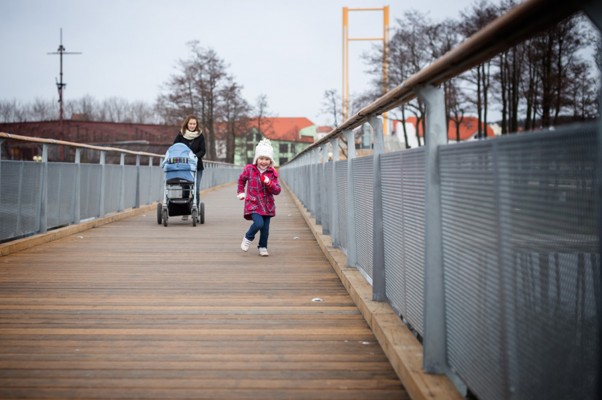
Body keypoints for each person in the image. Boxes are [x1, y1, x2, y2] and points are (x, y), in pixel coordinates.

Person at [237, 138, 281, 256]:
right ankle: (248, 237)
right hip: (253, 203)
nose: (263, 161)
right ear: (257, 159)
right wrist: (241, 191)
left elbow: (277, 190)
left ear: (270, 161)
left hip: (267, 204)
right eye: (261, 158)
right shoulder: (249, 169)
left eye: (267, 159)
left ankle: (263, 246)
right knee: (258, 223)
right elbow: (241, 180)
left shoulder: (272, 173)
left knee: (265, 229)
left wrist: (269, 183)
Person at [173, 115, 206, 220]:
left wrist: (195, 156)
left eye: (194, 124)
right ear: (187, 124)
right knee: (186, 187)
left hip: (197, 166)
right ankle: (185, 211)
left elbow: (203, 150)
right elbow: (175, 147)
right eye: (190, 123)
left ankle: (195, 209)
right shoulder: (180, 135)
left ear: (196, 125)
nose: (192, 125)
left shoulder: (200, 136)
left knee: (196, 188)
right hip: (184, 166)